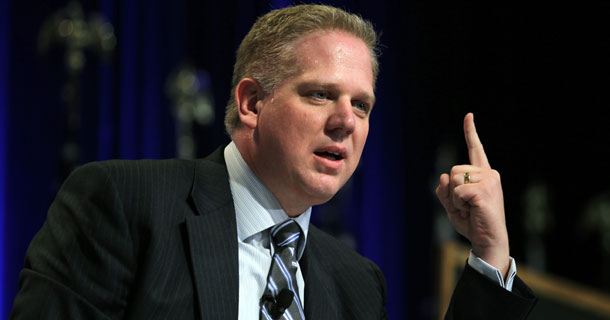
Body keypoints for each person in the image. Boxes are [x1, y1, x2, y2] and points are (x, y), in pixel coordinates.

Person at [10, 4, 536, 319]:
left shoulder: (354, 283)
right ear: (252, 103)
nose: (346, 122)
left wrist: (490, 254)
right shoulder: (124, 205)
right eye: (319, 95)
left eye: (362, 105)